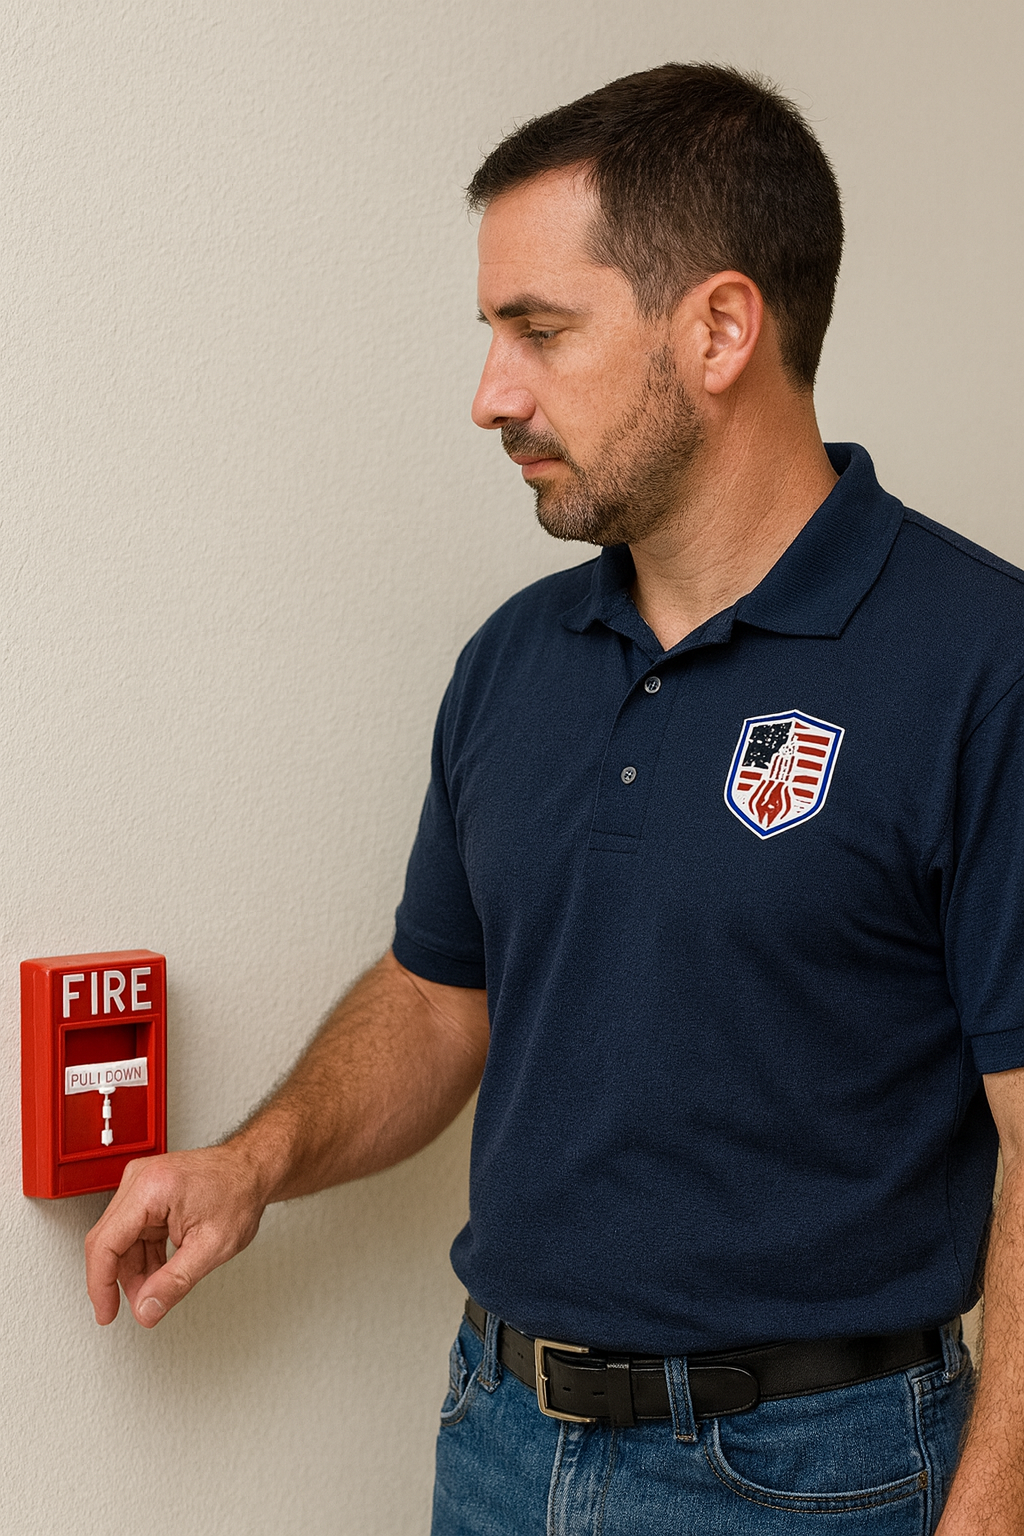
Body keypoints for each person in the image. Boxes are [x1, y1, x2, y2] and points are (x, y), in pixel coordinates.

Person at [85, 63, 1024, 1534]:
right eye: (490, 335)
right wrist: (250, 1163)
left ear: (720, 327)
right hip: (501, 1439)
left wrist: (995, 1504)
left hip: (818, 1479)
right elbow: (442, 994)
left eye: (538, 331)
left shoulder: (982, 662)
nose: (489, 395)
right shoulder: (515, 662)